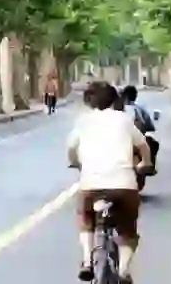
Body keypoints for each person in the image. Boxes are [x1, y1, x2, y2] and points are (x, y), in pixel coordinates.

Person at [67, 81, 152, 283]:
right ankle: (123, 270)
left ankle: (87, 260)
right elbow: (143, 146)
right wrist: (145, 164)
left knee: (86, 218)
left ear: (88, 101)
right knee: (127, 229)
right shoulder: (124, 120)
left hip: (91, 185)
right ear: (115, 99)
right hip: (124, 185)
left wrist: (75, 163)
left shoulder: (83, 121)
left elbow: (71, 149)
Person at [122, 85, 159, 171]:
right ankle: (149, 166)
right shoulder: (139, 109)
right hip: (136, 141)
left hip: (122, 140)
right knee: (153, 144)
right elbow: (149, 126)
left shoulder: (117, 109)